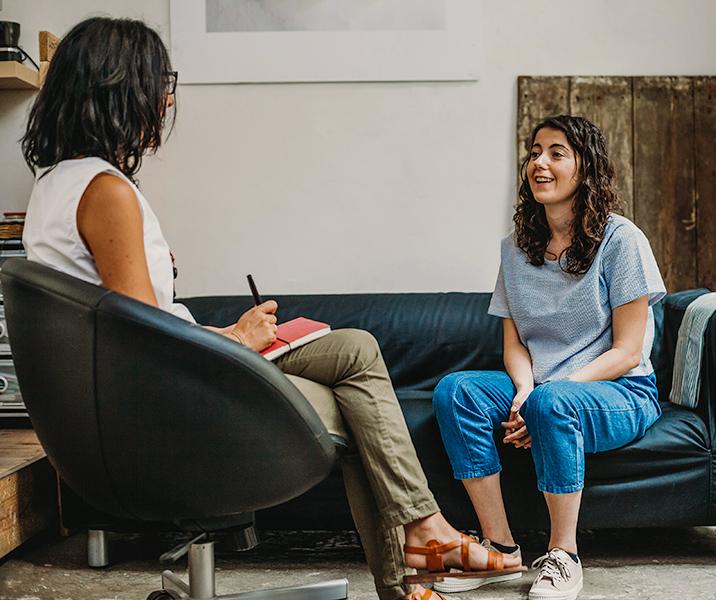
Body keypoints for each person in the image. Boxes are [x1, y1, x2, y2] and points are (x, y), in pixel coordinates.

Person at [19, 17, 522, 600]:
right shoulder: (104, 192)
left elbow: (132, 326)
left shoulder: (57, 185)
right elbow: (141, 345)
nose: (168, 97)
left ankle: (418, 561)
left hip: (139, 403)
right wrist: (235, 344)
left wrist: (226, 330)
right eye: (162, 81)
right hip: (162, 412)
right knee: (356, 400)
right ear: (120, 87)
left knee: (356, 349)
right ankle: (418, 555)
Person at [432, 115, 666, 600]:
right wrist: (523, 392)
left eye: (556, 153)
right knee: (457, 391)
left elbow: (626, 352)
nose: (539, 162)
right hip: (542, 387)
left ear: (586, 168)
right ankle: (499, 549)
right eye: (535, 151)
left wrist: (545, 398)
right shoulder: (516, 249)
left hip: (620, 390)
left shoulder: (622, 241)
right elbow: (513, 343)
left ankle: (564, 555)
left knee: (552, 403)